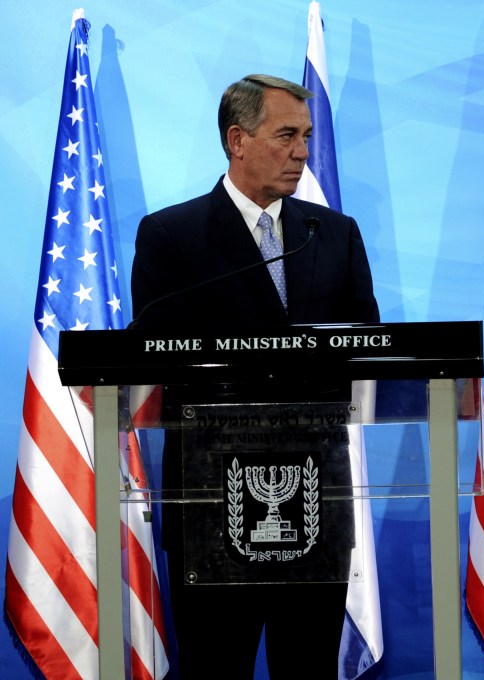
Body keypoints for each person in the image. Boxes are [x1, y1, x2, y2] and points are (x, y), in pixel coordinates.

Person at [132, 74, 379, 678]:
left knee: (309, 668)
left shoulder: (335, 235)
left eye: (306, 137)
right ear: (237, 140)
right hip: (212, 501)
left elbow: (369, 354)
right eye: (287, 135)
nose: (302, 152)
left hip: (316, 497)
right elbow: (154, 362)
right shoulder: (171, 236)